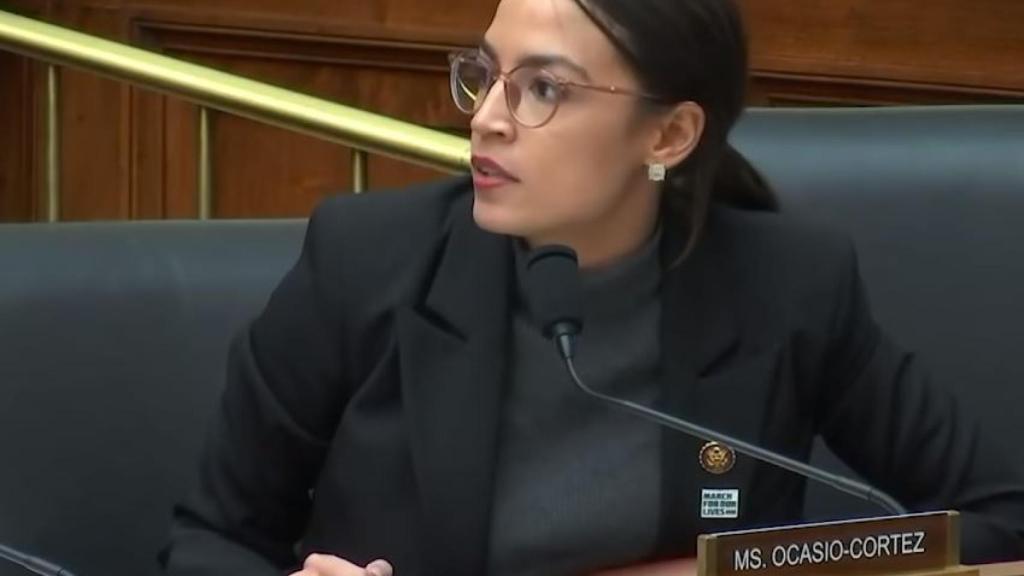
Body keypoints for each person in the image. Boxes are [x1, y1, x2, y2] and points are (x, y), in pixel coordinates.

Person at [160, 0, 1024, 574]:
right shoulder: (365, 262)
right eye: (487, 72)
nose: (488, 116)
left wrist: (730, 570)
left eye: (544, 89)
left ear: (671, 133)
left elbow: (999, 518)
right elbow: (208, 538)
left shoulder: (788, 287)